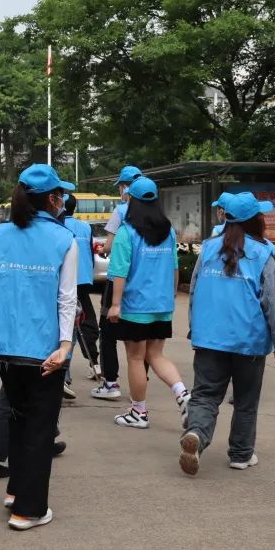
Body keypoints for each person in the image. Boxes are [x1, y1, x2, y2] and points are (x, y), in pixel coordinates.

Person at [0, 164, 78, 530]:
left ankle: (15, 489)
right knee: (39, 427)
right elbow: (67, 299)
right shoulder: (64, 239)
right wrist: (65, 346)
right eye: (61, 195)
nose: (63, 200)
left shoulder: (2, 234)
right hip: (44, 349)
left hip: (3, 346)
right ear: (52, 199)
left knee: (17, 419)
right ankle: (29, 509)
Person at [180, 192, 275, 475]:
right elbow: (273, 301)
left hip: (209, 337)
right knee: (245, 400)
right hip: (248, 341)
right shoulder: (262, 253)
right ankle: (241, 454)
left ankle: (196, 433)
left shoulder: (208, 249)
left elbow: (194, 291)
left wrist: (196, 328)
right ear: (255, 220)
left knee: (205, 395)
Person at [106, 177, 191, 429]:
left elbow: (119, 271)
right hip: (162, 305)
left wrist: (115, 304)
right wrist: (171, 295)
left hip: (135, 306)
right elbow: (174, 267)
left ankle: (138, 412)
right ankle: (183, 393)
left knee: (135, 358)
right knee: (156, 354)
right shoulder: (168, 232)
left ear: (131, 200)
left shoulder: (126, 232)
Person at [93, 165, 143, 400]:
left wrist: (102, 250)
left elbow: (110, 246)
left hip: (117, 279)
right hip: (142, 281)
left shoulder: (121, 211)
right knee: (140, 335)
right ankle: (140, 384)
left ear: (126, 187)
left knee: (108, 333)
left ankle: (111, 382)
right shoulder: (156, 215)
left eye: (121, 187)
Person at [63, 194, 100, 394]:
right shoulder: (85, 227)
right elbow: (90, 255)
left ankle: (64, 374)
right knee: (86, 321)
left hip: (65, 282)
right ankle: (94, 361)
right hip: (84, 279)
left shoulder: (58, 226)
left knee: (66, 324)